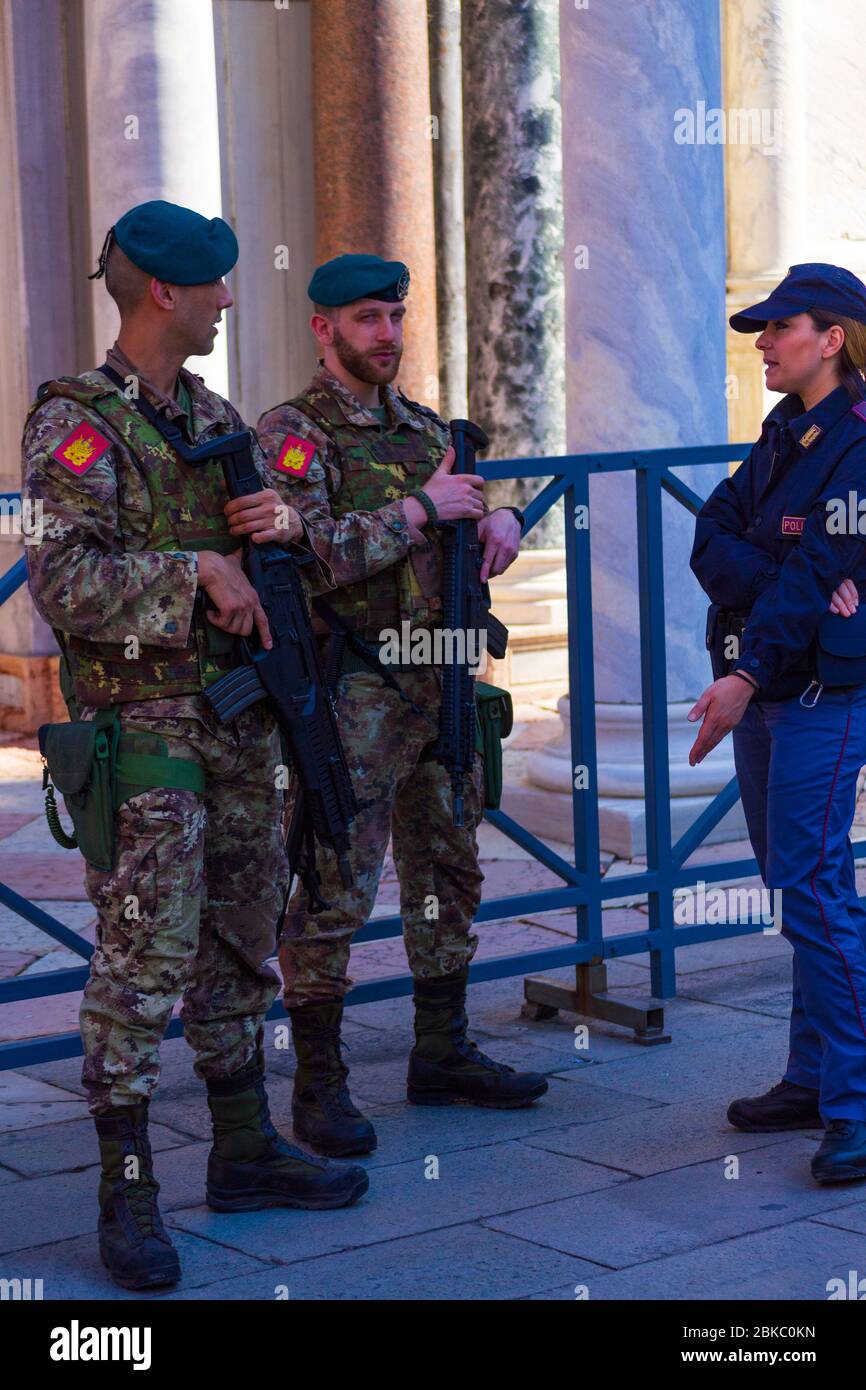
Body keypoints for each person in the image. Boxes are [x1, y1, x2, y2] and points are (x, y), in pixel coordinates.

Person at [21, 201, 367, 1292]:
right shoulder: (77, 423)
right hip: (144, 741)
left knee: (236, 940)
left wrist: (276, 531)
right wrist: (192, 574)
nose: (228, 297)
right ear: (163, 294)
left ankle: (245, 1145)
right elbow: (59, 579)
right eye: (213, 284)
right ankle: (128, 1190)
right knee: (142, 957)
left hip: (236, 723)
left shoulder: (215, 416)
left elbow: (279, 565)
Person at [242, 253, 548, 1157]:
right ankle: (319, 1084)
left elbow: (459, 517)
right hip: (357, 693)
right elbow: (300, 552)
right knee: (336, 884)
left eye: (394, 317)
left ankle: (443, 1051)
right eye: (366, 319)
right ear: (324, 330)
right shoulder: (294, 433)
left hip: (444, 682)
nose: (386, 335)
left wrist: (496, 520)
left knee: (447, 870)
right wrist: (417, 511)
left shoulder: (424, 429)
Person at [690, 262, 866, 1184]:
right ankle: (812, 1077)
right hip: (771, 680)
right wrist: (781, 570)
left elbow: (821, 565)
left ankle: (857, 1101)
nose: (762, 343)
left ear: (831, 338)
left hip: (814, 695)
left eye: (777, 328)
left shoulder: (860, 441)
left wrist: (747, 672)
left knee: (817, 889)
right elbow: (710, 532)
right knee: (798, 887)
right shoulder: (783, 431)